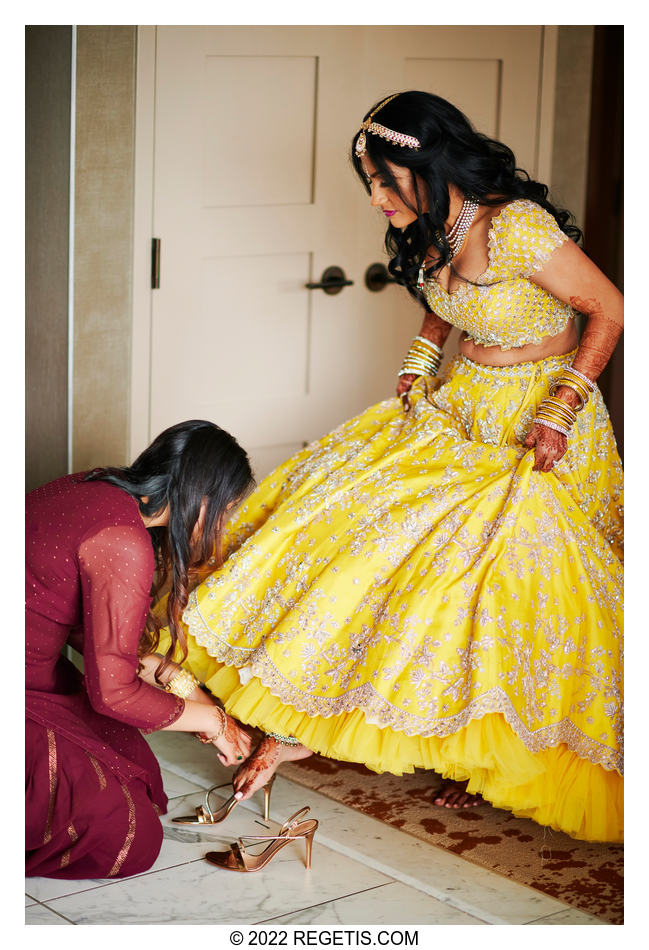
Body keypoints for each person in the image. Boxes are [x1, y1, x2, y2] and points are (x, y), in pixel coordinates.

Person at [154, 92, 623, 843]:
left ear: (428, 166)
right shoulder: (437, 226)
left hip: (536, 424)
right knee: (359, 530)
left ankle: (485, 755)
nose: (375, 198)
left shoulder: (515, 227)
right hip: (456, 406)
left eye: (383, 181)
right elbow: (447, 303)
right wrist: (417, 363)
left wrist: (561, 407)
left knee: (499, 594)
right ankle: (393, 727)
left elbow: (610, 309)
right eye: (368, 182)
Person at [26, 420, 255, 879]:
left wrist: (190, 693)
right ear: (202, 498)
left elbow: (89, 633)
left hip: (32, 666)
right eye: (226, 512)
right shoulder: (124, 540)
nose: (224, 527)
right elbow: (113, 694)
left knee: (131, 767)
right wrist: (214, 721)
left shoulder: (92, 485)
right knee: (130, 836)